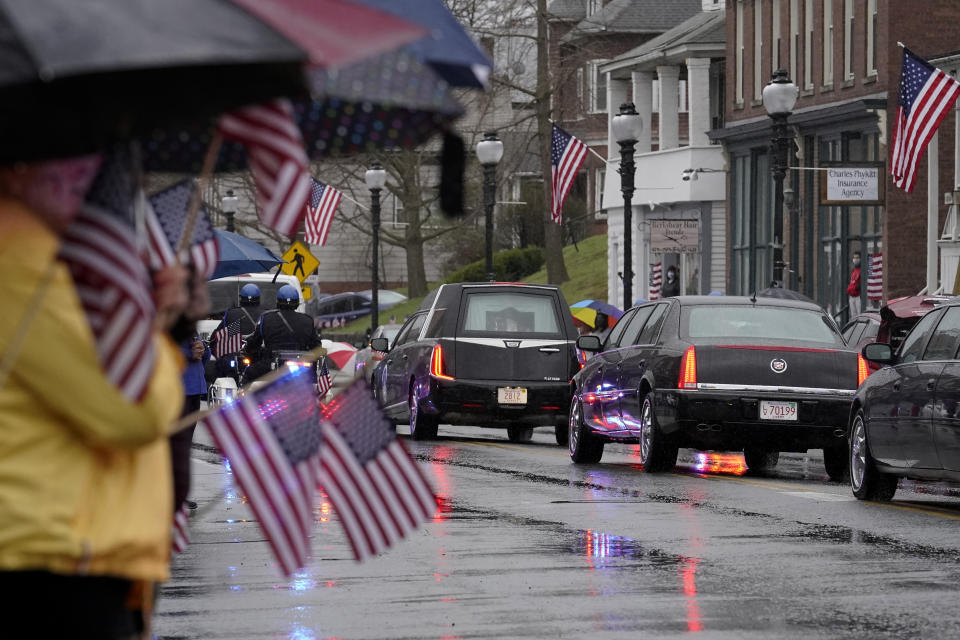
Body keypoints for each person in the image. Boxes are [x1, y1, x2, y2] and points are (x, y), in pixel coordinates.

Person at [0, 156, 190, 637]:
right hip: (47, 559)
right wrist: (159, 343)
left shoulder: (35, 249)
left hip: (62, 551)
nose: (84, 176)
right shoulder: (17, 253)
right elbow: (132, 408)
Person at [242, 284, 321, 383]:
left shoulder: (266, 319)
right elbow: (316, 346)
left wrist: (248, 348)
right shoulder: (307, 320)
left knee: (248, 372)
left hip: (271, 367)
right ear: (297, 303)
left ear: (278, 302)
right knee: (313, 383)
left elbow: (255, 342)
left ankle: (244, 399)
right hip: (300, 368)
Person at [172, 330, 211, 512]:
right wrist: (189, 353)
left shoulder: (189, 327)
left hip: (194, 390)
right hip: (179, 391)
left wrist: (203, 349)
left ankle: (178, 494)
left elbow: (202, 358)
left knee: (184, 445)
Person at [207, 283, 261, 383]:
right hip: (258, 360)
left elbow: (217, 336)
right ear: (259, 298)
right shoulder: (265, 315)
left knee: (219, 370)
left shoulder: (232, 314)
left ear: (241, 298)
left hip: (234, 360)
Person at [847, 251, 862, 317]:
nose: (855, 259)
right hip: (851, 296)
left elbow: (859, 286)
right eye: (854, 258)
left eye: (857, 258)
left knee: (859, 315)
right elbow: (851, 283)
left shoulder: (862, 270)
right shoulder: (853, 270)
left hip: (858, 297)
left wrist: (854, 287)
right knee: (853, 316)